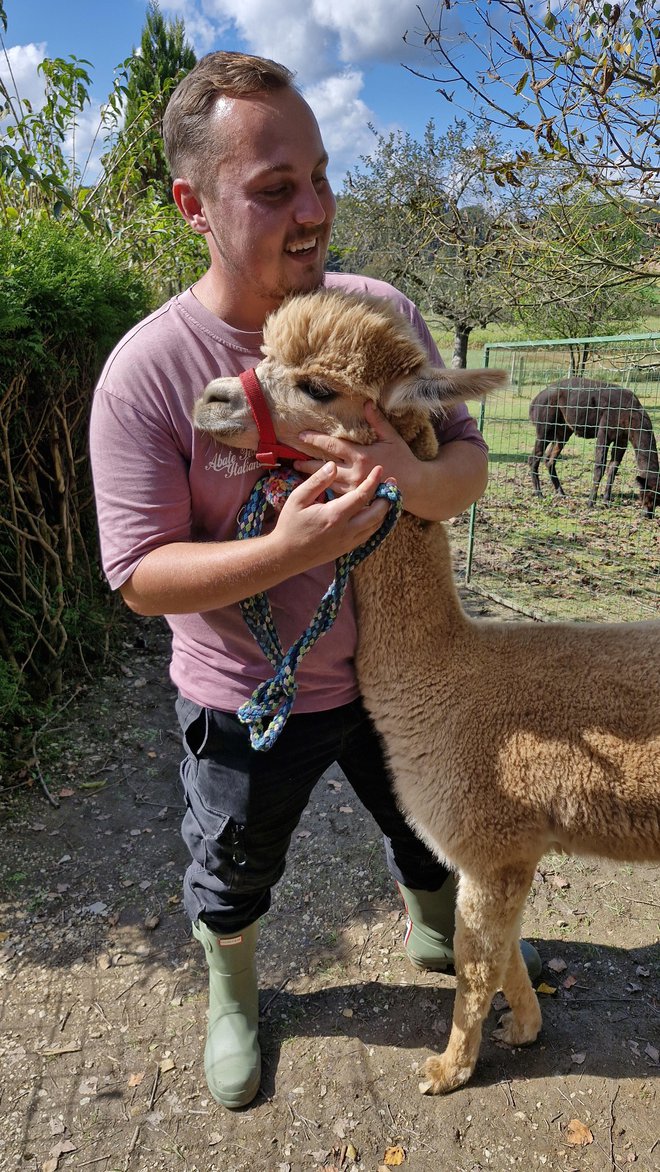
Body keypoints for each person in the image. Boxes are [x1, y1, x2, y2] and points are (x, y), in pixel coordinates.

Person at [89, 50, 540, 1111]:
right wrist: (291, 551)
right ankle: (235, 990)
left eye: (323, 179)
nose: (316, 212)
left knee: (437, 824)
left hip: (408, 674)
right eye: (277, 188)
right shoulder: (149, 374)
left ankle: (438, 922)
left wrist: (416, 475)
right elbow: (140, 573)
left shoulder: (378, 312)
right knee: (235, 861)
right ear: (192, 203)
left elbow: (466, 459)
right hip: (249, 696)